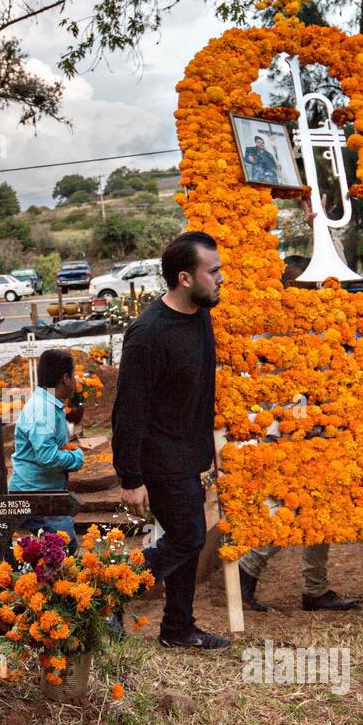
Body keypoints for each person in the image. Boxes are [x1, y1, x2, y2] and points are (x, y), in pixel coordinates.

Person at [112, 231, 227, 650]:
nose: (220, 278)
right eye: (212, 271)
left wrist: (207, 446)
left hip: (189, 454)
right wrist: (130, 478)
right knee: (188, 537)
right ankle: (111, 592)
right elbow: (128, 411)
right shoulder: (148, 335)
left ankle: (178, 628)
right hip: (159, 458)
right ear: (184, 277)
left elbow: (195, 393)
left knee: (187, 542)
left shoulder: (199, 313)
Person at [237, 255, 359, 614]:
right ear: (289, 286)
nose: (315, 289)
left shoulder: (309, 319)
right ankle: (249, 567)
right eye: (308, 284)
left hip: (312, 427)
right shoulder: (275, 322)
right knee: (296, 506)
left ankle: (314, 588)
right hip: (289, 430)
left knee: (320, 508)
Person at [10, 348, 85, 543]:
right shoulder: (43, 410)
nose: (76, 381)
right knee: (65, 547)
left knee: (55, 552)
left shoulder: (47, 402)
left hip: (42, 490)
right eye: (74, 375)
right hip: (36, 495)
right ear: (66, 378)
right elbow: (48, 457)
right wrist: (76, 458)